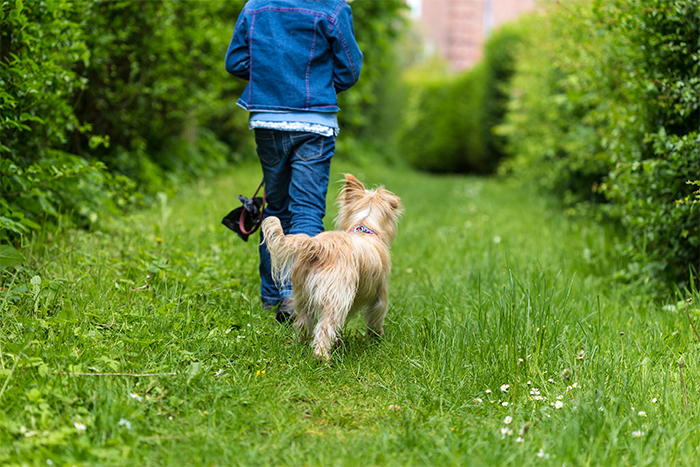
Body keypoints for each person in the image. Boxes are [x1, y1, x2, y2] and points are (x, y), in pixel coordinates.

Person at [225, 0, 363, 323]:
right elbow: (350, 69)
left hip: (267, 118)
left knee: (276, 205)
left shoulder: (255, 6)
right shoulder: (333, 7)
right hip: (314, 120)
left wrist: (272, 79)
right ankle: (297, 297)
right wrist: (319, 84)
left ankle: (273, 294)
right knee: (308, 210)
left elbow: (235, 62)